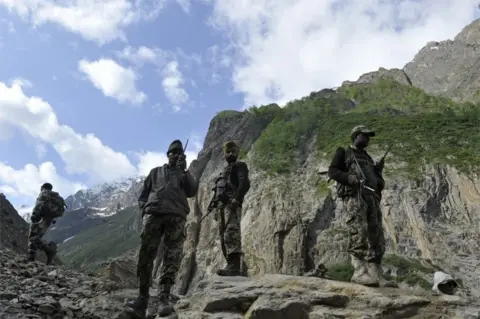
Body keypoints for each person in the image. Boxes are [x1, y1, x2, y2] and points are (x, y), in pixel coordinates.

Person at [124, 140, 198, 318]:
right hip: (154, 215)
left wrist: (185, 171)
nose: (176, 155)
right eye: (173, 153)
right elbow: (143, 195)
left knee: (172, 257)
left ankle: (164, 298)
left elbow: (192, 191)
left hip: (176, 217)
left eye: (179, 153)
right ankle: (142, 299)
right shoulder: (155, 172)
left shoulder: (183, 174)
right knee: (146, 255)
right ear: (168, 154)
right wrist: (145, 210)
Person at [327, 125, 397, 288]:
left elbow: (377, 181)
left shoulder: (367, 158)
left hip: (371, 197)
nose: (367, 139)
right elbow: (333, 171)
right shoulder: (343, 152)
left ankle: (376, 274)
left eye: (368, 137)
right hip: (354, 195)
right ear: (356, 136)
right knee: (359, 230)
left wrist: (378, 171)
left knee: (376, 234)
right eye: (364, 136)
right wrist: (349, 178)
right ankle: (359, 272)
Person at [212, 141, 250, 276]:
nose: (230, 154)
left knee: (231, 233)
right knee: (222, 236)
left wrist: (237, 199)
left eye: (233, 151)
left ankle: (234, 266)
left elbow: (244, 183)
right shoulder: (223, 173)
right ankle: (230, 264)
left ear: (237, 153)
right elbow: (217, 190)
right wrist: (214, 205)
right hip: (221, 207)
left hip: (231, 205)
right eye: (228, 152)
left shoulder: (240, 166)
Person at [27, 183, 66, 265]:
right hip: (48, 220)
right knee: (37, 237)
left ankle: (44, 252)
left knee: (33, 236)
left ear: (43, 187)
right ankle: (36, 256)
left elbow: (39, 204)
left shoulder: (44, 193)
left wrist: (35, 215)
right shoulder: (55, 196)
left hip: (40, 217)